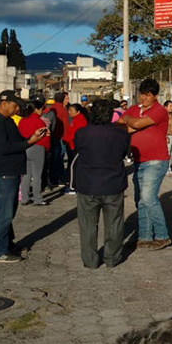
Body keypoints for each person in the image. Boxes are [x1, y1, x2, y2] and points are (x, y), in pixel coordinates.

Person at [0, 90, 48, 262]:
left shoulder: (8, 122)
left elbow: (17, 141)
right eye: (14, 106)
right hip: (3, 175)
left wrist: (33, 137)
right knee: (2, 214)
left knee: (8, 213)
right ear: (4, 103)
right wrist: (29, 142)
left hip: (12, 173)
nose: (16, 110)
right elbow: (4, 148)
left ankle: (7, 243)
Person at [72, 99, 130, 268]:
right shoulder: (121, 134)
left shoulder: (81, 133)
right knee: (114, 224)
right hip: (113, 184)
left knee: (88, 225)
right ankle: (112, 258)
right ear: (111, 115)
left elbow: (77, 151)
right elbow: (123, 154)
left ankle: (90, 260)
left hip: (88, 184)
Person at [120, 78, 172, 249]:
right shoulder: (135, 109)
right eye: (142, 94)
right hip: (139, 160)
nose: (144, 98)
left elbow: (135, 123)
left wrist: (128, 118)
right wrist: (132, 123)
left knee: (149, 198)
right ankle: (145, 236)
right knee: (140, 201)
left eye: (148, 95)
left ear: (155, 96)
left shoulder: (159, 111)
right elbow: (121, 127)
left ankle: (163, 235)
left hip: (156, 160)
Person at [18, 100, 50, 206]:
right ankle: (37, 198)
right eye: (41, 109)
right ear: (36, 109)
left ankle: (25, 198)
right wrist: (47, 149)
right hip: (38, 148)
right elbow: (44, 138)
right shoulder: (39, 122)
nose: (42, 111)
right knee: (37, 175)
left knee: (26, 175)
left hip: (25, 148)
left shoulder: (22, 121)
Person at [63, 103, 88, 195]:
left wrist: (65, 139)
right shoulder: (75, 119)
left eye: (71, 111)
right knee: (73, 165)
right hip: (72, 145)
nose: (69, 112)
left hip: (77, 146)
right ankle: (72, 184)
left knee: (73, 166)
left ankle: (73, 186)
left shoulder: (80, 120)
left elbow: (74, 134)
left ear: (78, 112)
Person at [48, 91, 70, 189]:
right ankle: (58, 178)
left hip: (51, 136)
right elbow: (65, 125)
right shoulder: (63, 110)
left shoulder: (50, 108)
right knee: (58, 159)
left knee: (53, 159)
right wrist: (66, 137)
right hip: (60, 137)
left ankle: (52, 179)